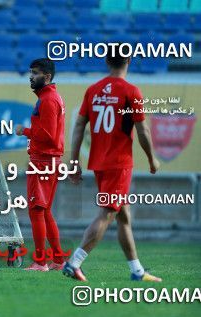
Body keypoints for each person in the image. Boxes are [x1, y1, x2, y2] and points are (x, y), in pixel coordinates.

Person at [63, 45, 162, 282]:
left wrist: (74, 161)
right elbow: (143, 130)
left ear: (107, 61)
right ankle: (74, 262)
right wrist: (151, 158)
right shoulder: (131, 91)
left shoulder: (93, 90)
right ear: (128, 60)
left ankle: (137, 271)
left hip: (99, 162)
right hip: (119, 163)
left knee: (123, 216)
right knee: (108, 213)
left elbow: (78, 127)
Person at [16, 58, 66, 272]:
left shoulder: (48, 100)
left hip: (43, 160)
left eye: (35, 73)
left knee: (36, 210)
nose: (31, 76)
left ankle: (40, 262)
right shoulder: (49, 97)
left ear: (47, 77)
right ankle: (58, 260)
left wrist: (24, 131)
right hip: (50, 160)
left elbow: (49, 136)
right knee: (44, 211)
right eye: (31, 72)